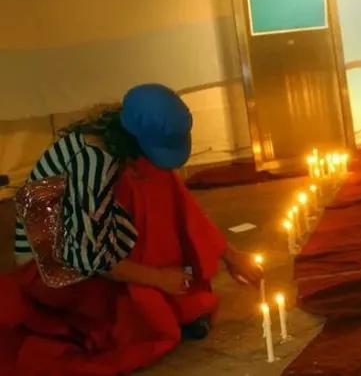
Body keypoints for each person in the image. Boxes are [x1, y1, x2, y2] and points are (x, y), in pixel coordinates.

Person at [0, 83, 264, 375]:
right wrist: (158, 278)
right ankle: (166, 305)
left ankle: (175, 303)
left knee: (160, 181)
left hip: (95, 242)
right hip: (50, 266)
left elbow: (179, 207)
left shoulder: (121, 139)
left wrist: (229, 254)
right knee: (132, 314)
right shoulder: (94, 162)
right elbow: (90, 258)